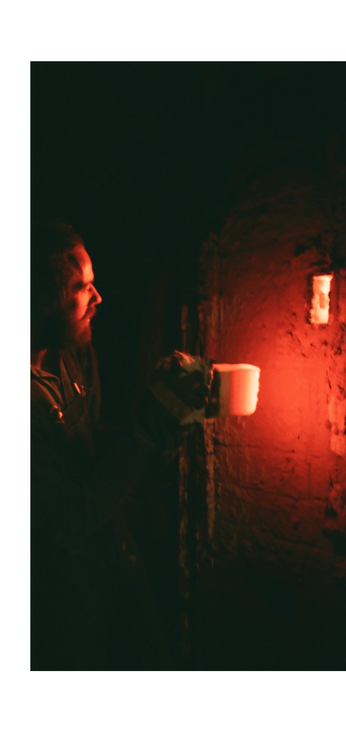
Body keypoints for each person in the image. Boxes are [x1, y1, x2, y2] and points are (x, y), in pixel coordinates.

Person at [30, 221, 211, 669]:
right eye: (81, 287)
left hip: (107, 558)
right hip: (52, 597)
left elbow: (88, 455)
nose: (98, 298)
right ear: (37, 300)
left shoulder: (71, 354)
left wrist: (160, 419)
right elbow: (65, 522)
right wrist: (147, 430)